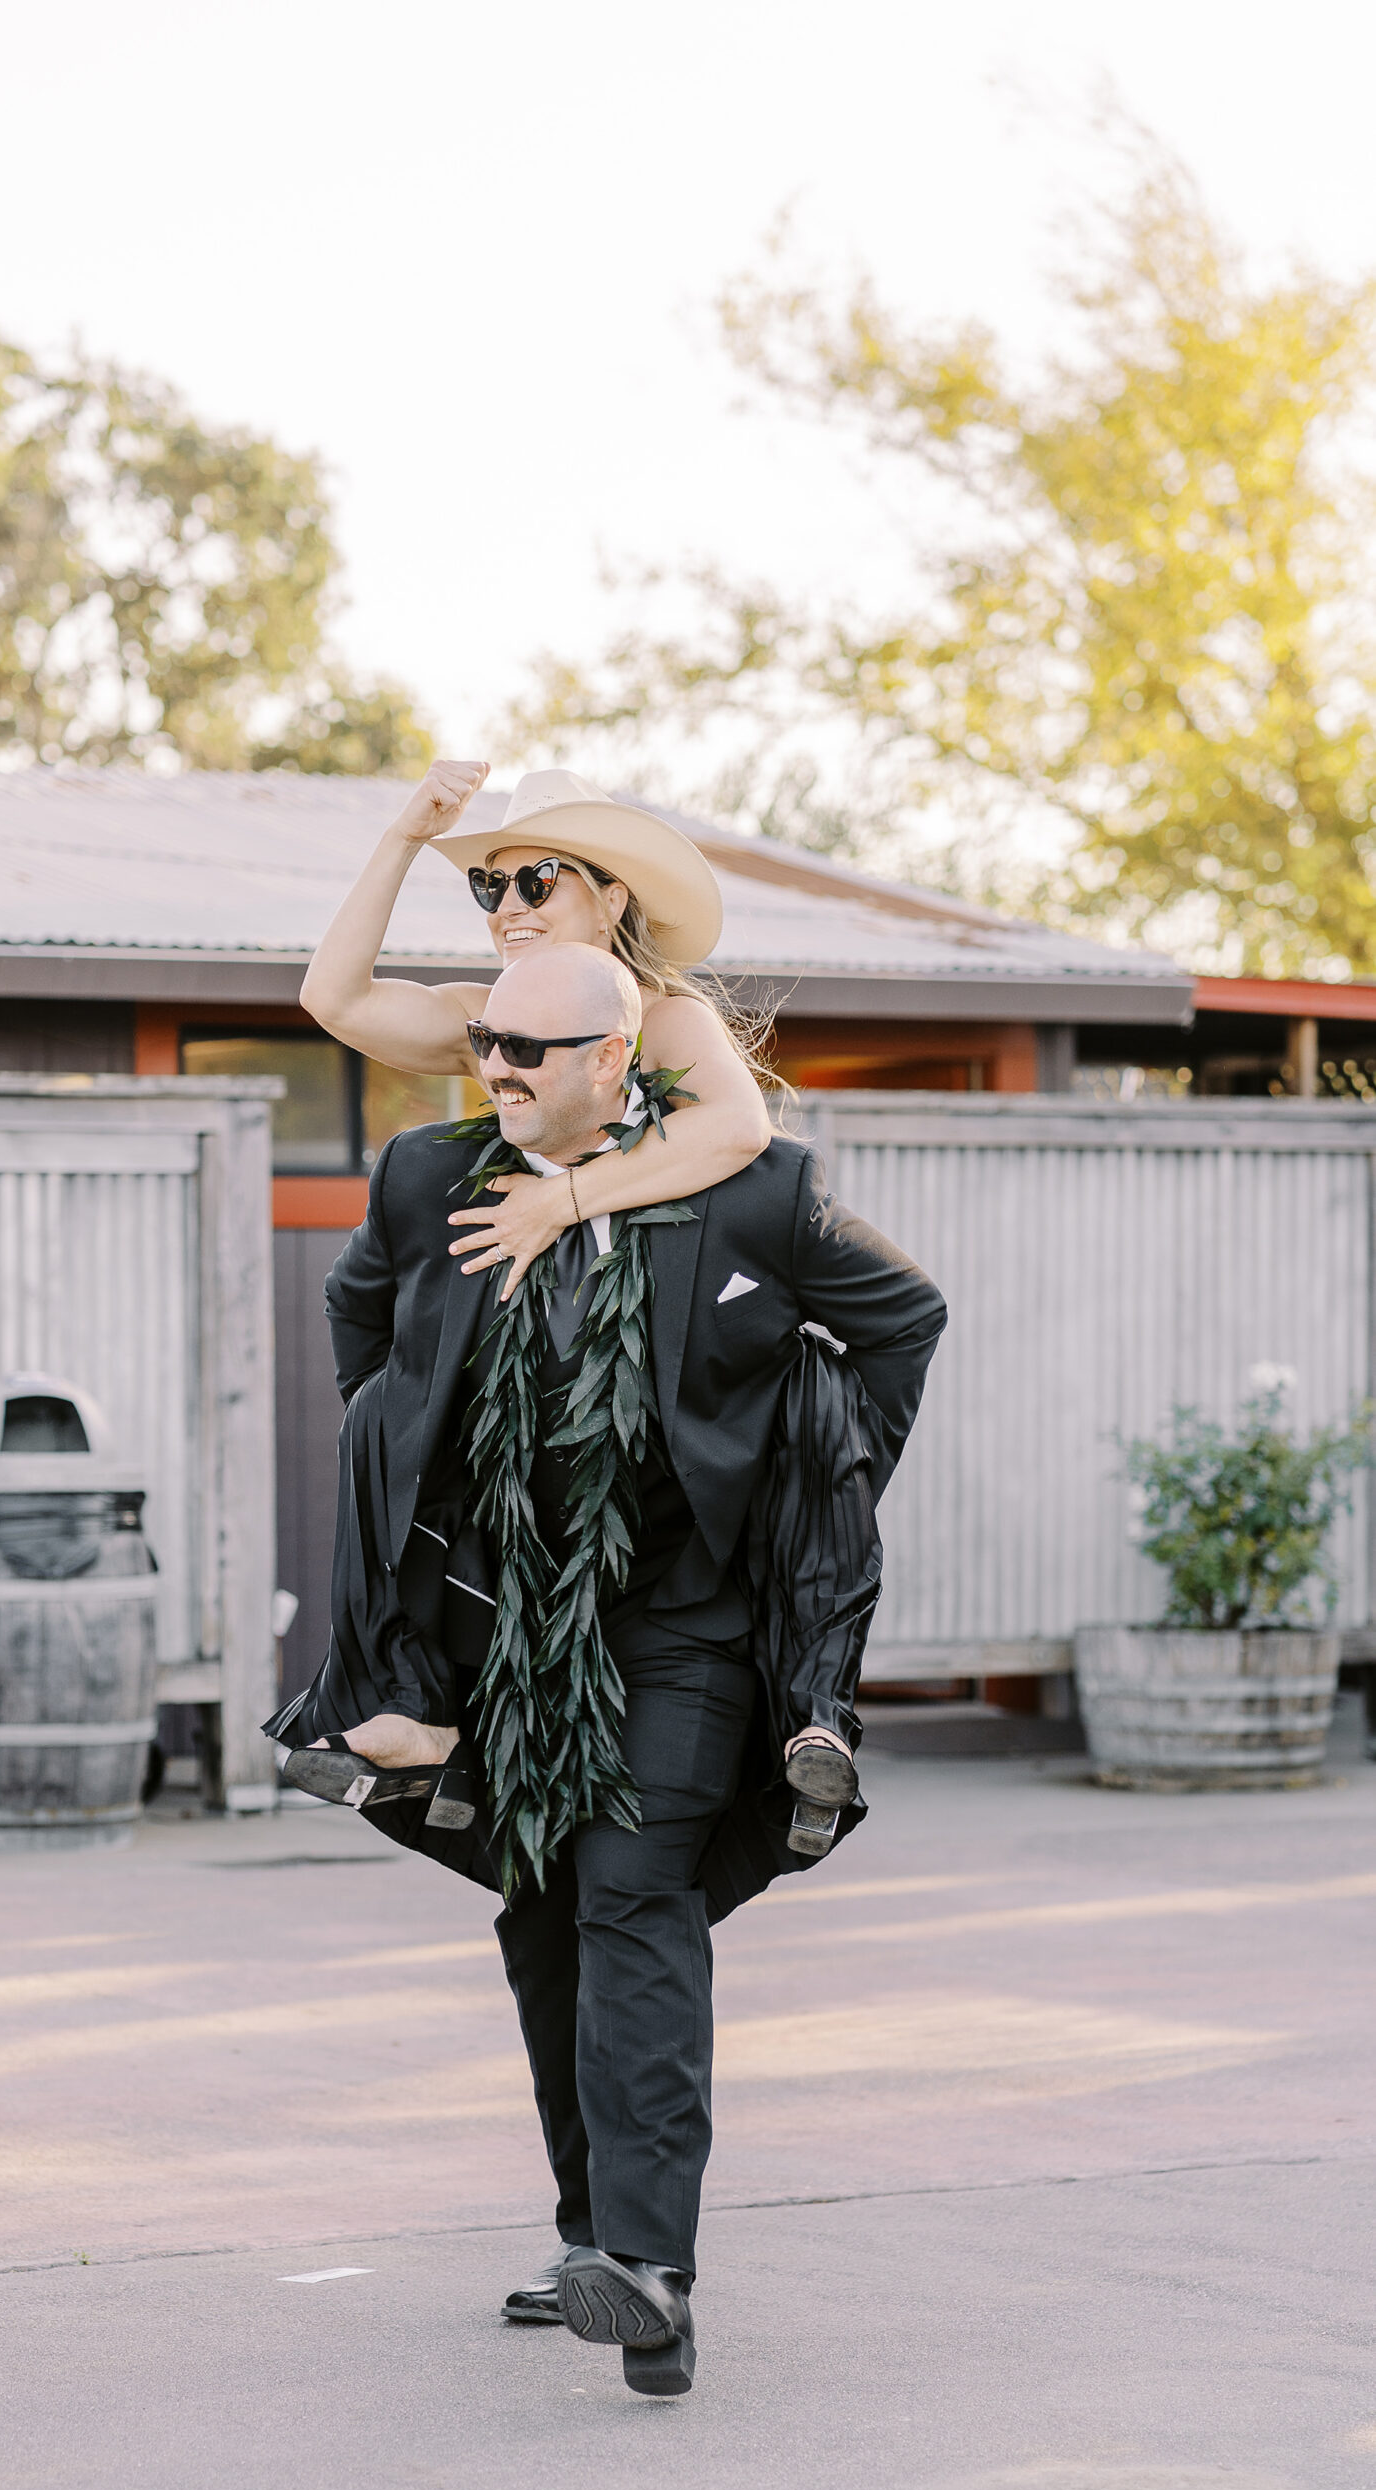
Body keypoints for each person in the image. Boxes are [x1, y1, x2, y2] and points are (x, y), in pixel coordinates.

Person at [266, 935, 947, 2400]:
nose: (492, 1068)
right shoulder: (426, 1180)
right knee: (543, 1907)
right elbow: (359, 1316)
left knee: (632, 1890)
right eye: (484, 1042)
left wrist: (806, 1480)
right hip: (507, 1625)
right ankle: (593, 2237)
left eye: (526, 1049)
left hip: (685, 1621)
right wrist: (402, 1451)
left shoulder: (753, 1190)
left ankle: (649, 2268)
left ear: (610, 1064)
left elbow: (901, 1321)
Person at [300, 760, 775, 1306]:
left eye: (537, 882)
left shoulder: (667, 1020)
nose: (507, 907)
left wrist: (556, 1202)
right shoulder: (487, 1022)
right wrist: (404, 837)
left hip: (670, 1321)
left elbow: (739, 1126)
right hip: (541, 1321)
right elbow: (334, 1000)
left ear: (610, 903)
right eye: (491, 886)